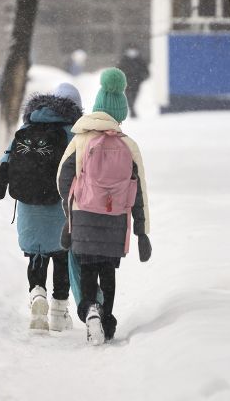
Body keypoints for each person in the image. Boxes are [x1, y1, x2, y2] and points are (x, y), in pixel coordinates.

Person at [57, 68, 151, 345]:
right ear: (120, 113)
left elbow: (63, 178)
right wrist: (142, 231)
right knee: (107, 271)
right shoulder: (128, 145)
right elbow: (140, 191)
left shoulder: (80, 139)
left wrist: (71, 209)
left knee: (87, 270)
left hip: (84, 215)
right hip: (116, 219)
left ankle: (90, 312)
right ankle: (106, 322)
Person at [0, 83, 84, 331]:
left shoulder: (27, 127)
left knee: (37, 254)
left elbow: (7, 160)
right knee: (62, 256)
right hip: (61, 207)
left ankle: (37, 296)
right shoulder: (74, 133)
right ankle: (58, 312)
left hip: (29, 205)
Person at [118, 46, 149, 118]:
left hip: (137, 82)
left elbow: (146, 72)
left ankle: (132, 109)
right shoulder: (123, 60)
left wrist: (142, 78)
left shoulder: (140, 60)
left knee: (134, 96)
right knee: (128, 96)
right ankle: (132, 110)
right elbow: (118, 70)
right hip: (126, 82)